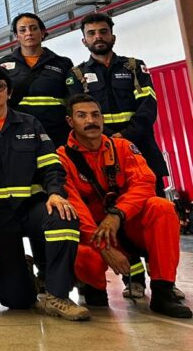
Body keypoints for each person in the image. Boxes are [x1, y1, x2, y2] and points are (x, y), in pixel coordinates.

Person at [0, 66, 89, 320]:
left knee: (64, 217)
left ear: (9, 92)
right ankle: (23, 272)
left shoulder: (31, 124)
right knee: (16, 300)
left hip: (32, 208)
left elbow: (51, 165)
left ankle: (57, 294)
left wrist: (55, 193)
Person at [59, 93, 190, 318]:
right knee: (79, 252)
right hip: (95, 234)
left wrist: (118, 214)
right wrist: (104, 247)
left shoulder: (123, 147)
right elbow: (74, 208)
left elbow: (145, 184)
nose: (91, 121)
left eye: (95, 115)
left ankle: (163, 291)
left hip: (127, 225)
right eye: (82, 116)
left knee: (162, 208)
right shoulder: (63, 158)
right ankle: (93, 287)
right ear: (70, 121)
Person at [65, 13, 168, 194]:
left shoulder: (134, 67)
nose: (98, 36)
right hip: (100, 152)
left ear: (113, 37)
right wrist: (109, 139)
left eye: (103, 31)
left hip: (141, 147)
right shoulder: (76, 75)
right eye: (91, 33)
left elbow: (148, 107)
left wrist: (124, 136)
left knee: (155, 203)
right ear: (84, 41)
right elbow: (80, 116)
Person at [0, 13, 73, 147]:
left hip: (57, 133)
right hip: (17, 132)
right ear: (16, 36)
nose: (29, 33)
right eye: (23, 30)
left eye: (33, 28)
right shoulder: (2, 64)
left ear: (42, 32)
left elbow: (72, 98)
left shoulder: (63, 63)